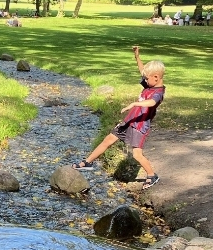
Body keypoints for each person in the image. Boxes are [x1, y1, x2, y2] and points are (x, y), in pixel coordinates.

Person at [71, 45, 166, 189]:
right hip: (129, 121)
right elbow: (143, 71)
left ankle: (152, 175)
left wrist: (134, 103)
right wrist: (137, 56)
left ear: (156, 78)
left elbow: (152, 102)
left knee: (136, 155)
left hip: (139, 126)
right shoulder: (150, 84)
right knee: (108, 139)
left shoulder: (158, 92)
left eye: (146, 79)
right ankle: (88, 162)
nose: (144, 81)